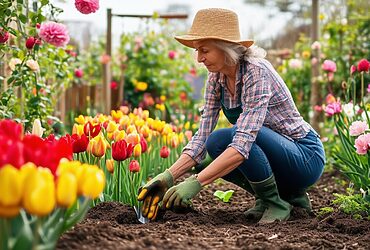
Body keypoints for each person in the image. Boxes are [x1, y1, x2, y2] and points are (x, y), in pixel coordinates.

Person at [137, 8, 326, 224]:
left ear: (225, 47)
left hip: (304, 156)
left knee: (236, 134)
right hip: (275, 153)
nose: (199, 58)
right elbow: (202, 137)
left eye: (204, 50)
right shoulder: (216, 78)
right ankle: (277, 198)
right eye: (198, 51)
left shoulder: (256, 71)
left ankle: (276, 202)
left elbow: (243, 142)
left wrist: (196, 182)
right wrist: (168, 177)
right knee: (215, 142)